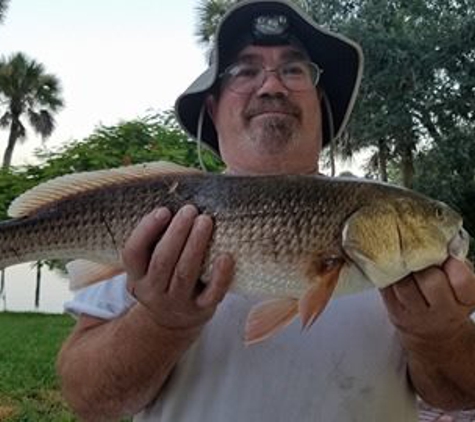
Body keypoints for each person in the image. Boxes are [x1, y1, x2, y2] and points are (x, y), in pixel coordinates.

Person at [57, 1, 475, 421]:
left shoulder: (403, 241)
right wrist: (160, 324)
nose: (272, 85)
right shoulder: (158, 208)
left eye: (294, 70)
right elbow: (89, 399)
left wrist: (438, 338)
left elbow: (459, 394)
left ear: (320, 101)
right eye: (245, 70)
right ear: (211, 109)